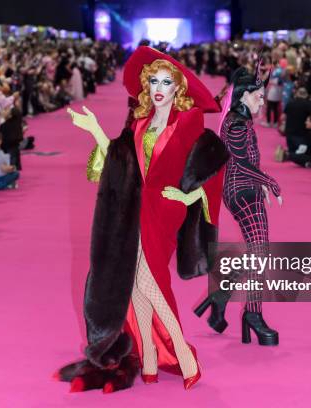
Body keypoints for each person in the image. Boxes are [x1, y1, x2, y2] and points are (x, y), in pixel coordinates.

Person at [57, 46, 227, 392]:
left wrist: (188, 195)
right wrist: (93, 129)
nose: (159, 88)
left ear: (178, 87)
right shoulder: (140, 122)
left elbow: (213, 167)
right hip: (136, 206)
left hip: (166, 209)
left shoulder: (189, 121)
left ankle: (183, 354)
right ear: (146, 87)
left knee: (150, 282)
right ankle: (149, 358)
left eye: (166, 81)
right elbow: (121, 162)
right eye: (153, 81)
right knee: (135, 283)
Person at [195, 64, 282, 345]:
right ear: (244, 95)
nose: (262, 100)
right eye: (258, 95)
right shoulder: (235, 123)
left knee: (259, 251)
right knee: (260, 252)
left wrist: (262, 183)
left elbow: (247, 162)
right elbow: (241, 164)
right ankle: (252, 314)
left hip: (246, 189)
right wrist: (269, 181)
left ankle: (223, 297)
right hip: (241, 191)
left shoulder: (240, 119)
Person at [283, 87, 311, 154]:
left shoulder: (290, 103)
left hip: (289, 131)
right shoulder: (309, 105)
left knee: (291, 152)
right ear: (306, 95)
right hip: (301, 133)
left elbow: (283, 116)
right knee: (300, 152)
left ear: (297, 94)